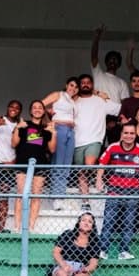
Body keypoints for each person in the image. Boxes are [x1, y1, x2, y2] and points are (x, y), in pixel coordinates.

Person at [96, 124, 139, 260]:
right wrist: (99, 180)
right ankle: (103, 250)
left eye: (132, 133)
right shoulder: (112, 147)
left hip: (133, 190)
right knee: (109, 220)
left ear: (135, 135)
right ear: (121, 134)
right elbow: (102, 164)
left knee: (129, 222)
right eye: (126, 133)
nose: (129, 136)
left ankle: (124, 251)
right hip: (114, 189)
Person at [72, 73, 121, 201]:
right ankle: (85, 200)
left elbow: (119, 109)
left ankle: (98, 180)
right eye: (83, 82)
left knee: (89, 165)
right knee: (81, 173)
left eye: (88, 82)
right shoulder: (74, 101)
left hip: (94, 140)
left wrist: (101, 95)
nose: (86, 84)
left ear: (92, 85)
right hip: (77, 142)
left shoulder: (100, 100)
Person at [11, 100, 55, 232]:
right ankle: (17, 227)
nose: (37, 110)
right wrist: (18, 127)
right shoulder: (23, 125)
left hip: (40, 165)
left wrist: (53, 132)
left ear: (43, 111)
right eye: (34, 107)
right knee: (21, 194)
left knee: (36, 195)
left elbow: (52, 149)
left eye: (40, 108)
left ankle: (30, 227)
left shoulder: (47, 128)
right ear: (30, 111)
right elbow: (13, 144)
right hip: (23, 163)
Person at [41, 77, 78, 208]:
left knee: (66, 165)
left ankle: (60, 195)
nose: (73, 89)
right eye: (71, 85)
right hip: (59, 129)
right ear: (66, 85)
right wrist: (49, 120)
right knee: (58, 162)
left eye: (76, 87)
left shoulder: (73, 101)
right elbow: (40, 105)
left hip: (71, 131)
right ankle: (56, 196)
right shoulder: (59, 94)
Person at [50, 212, 100, 276]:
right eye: (83, 220)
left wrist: (85, 269)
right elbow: (56, 252)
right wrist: (64, 265)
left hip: (81, 269)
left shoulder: (95, 241)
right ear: (78, 223)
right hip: (64, 266)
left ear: (92, 226)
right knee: (61, 273)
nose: (86, 223)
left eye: (90, 222)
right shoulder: (68, 234)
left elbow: (93, 264)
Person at [90, 25, 129, 145]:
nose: (113, 61)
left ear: (119, 64)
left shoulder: (122, 82)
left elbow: (125, 104)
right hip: (98, 114)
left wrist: (118, 121)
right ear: (106, 62)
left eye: (116, 60)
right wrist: (97, 38)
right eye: (110, 59)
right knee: (97, 145)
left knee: (115, 145)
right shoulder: (98, 74)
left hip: (115, 117)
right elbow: (94, 57)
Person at [0, 100, 23, 234]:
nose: (14, 109)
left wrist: (15, 160)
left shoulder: (21, 125)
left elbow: (28, 143)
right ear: (7, 107)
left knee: (6, 196)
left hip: (11, 164)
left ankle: (3, 228)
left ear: (20, 111)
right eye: (11, 106)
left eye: (17, 108)